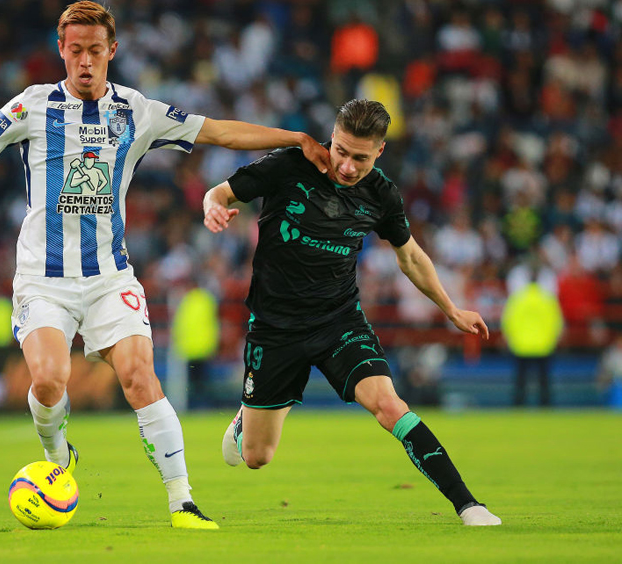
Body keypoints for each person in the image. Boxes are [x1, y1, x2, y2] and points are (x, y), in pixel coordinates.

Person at [0, 0, 328, 530]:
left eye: (95, 50)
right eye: (75, 51)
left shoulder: (135, 111)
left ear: (112, 51)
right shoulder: (31, 106)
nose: (85, 61)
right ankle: (59, 457)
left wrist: (294, 139)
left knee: (140, 377)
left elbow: (217, 131)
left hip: (109, 276)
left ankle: (182, 502)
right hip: (43, 278)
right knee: (48, 381)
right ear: (61, 51)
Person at [203, 99, 502, 526]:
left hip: (338, 321)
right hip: (276, 328)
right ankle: (246, 419)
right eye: (341, 151)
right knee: (256, 457)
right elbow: (220, 192)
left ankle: (469, 505)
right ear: (333, 135)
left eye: (359, 157)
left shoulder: (381, 194)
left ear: (379, 151)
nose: (345, 166)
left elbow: (411, 257)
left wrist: (451, 308)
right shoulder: (290, 165)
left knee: (388, 405)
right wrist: (211, 206)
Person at [501, 279, 564, 407]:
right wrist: (553, 339)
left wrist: (511, 338)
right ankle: (545, 408)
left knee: (520, 381)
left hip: (521, 345)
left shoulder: (517, 299)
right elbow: (557, 322)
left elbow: (507, 320)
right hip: (544, 345)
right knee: (544, 381)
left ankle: (519, 407)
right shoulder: (548, 299)